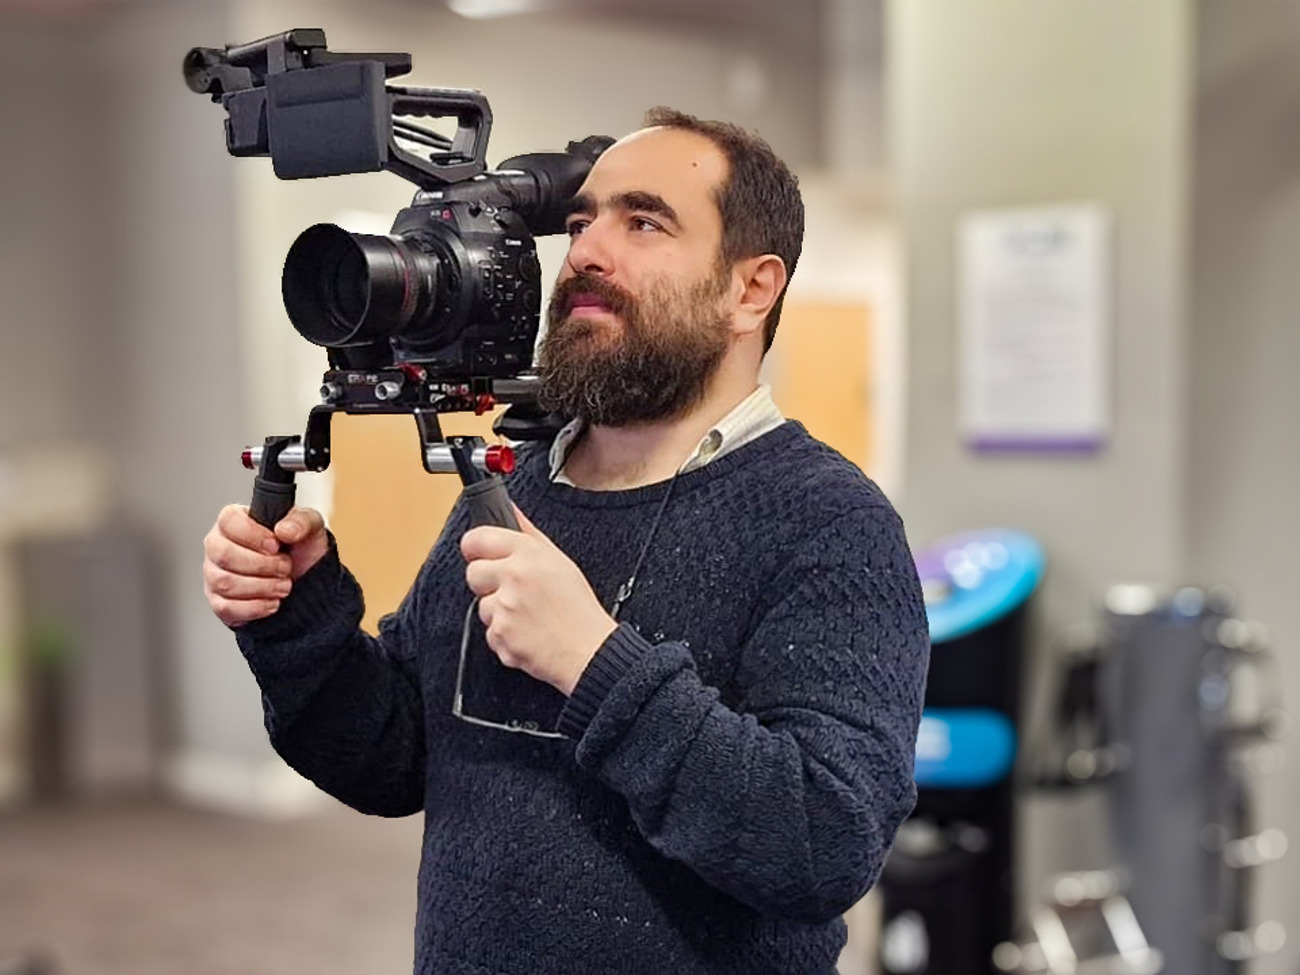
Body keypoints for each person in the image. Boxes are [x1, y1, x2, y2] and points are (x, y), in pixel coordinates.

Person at [203, 107, 929, 975]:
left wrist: (593, 661)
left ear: (752, 288)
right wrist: (298, 613)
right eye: (582, 220)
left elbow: (823, 844)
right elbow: (394, 756)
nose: (585, 250)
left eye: (644, 221)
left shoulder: (831, 523)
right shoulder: (519, 480)